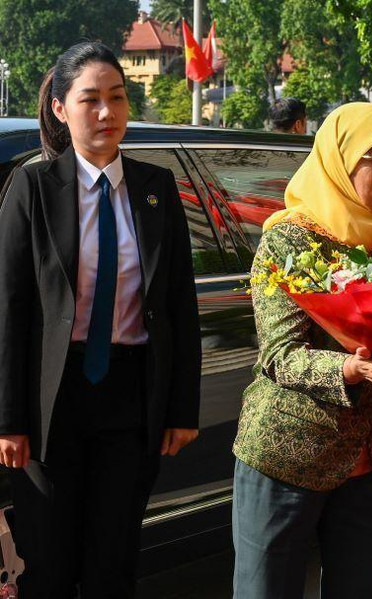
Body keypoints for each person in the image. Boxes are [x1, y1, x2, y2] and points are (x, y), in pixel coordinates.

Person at [0, 42, 201, 597]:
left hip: (130, 401)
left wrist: (181, 408)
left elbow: (179, 305)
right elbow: (10, 307)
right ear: (62, 109)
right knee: (50, 563)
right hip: (51, 405)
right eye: (90, 100)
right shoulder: (33, 187)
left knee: (114, 562)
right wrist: (7, 418)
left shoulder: (156, 189)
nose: (107, 113)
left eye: (117, 98)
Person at [232, 102, 372, 598]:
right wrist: (352, 368)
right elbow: (280, 355)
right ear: (341, 161)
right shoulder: (288, 241)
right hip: (288, 453)